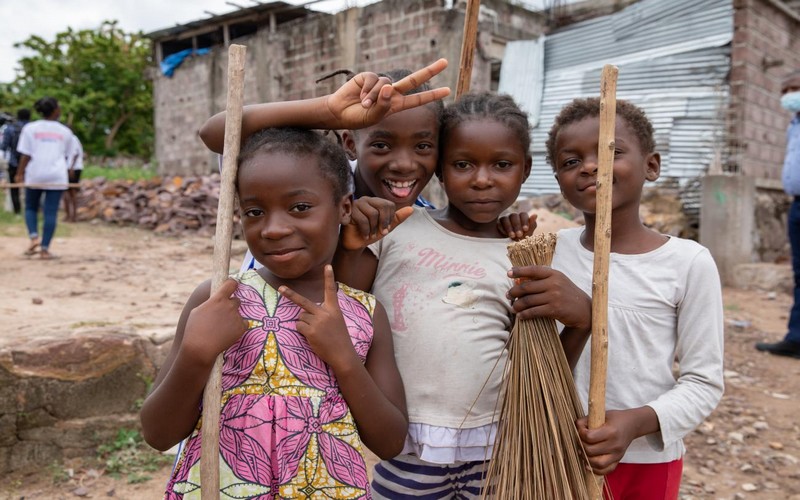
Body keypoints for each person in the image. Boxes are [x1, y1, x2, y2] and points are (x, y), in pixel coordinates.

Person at [140, 127, 408, 498]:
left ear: (344, 208)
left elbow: (391, 441)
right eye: (255, 211)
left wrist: (344, 359)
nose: (275, 229)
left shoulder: (364, 312)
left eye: (300, 207)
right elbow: (158, 434)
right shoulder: (219, 299)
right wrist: (195, 355)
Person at [507, 97, 725, 499]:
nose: (589, 166)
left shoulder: (688, 263)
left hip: (646, 463)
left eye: (610, 152)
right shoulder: (547, 253)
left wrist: (636, 423)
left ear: (652, 166)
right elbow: (527, 359)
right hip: (552, 454)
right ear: (558, 180)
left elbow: (703, 383)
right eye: (571, 162)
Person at [336, 92, 532, 497]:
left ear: (524, 170)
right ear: (441, 170)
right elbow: (350, 299)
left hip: (495, 439)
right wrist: (352, 245)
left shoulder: (522, 250)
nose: (481, 179)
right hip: (409, 439)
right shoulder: (401, 226)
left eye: (501, 165)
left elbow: (531, 342)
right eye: (462, 165)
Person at [198, 60, 532, 273]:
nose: (403, 164)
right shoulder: (315, 179)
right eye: (382, 145)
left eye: (423, 146)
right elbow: (216, 132)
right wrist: (328, 110)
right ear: (349, 143)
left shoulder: (420, 221)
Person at [756, 70, 800, 359]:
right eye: (785, 89)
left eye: (794, 88)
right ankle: (796, 338)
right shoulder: (792, 125)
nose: (788, 95)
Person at [15, 97, 76, 259]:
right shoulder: (65, 131)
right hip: (56, 175)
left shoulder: (30, 128)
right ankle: (44, 249)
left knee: (30, 207)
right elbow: (70, 154)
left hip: (35, 173)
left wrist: (19, 173)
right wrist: (70, 171)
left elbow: (25, 155)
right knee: (50, 212)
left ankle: (34, 236)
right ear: (55, 110)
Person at [1, 108, 31, 215]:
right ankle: (31, 209)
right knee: (31, 187)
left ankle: (17, 211)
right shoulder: (32, 128)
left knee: (14, 188)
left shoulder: (10, 128)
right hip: (30, 163)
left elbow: (4, 146)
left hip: (14, 162)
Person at [63, 133, 84, 223]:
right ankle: (68, 215)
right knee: (66, 192)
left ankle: (74, 216)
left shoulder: (73, 138)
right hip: (68, 168)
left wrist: (71, 167)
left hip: (73, 169)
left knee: (72, 192)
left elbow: (76, 154)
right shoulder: (67, 139)